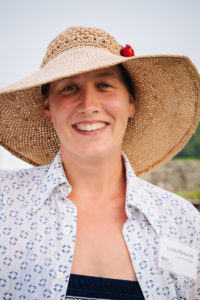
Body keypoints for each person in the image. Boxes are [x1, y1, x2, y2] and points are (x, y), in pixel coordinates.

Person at [0, 26, 200, 300]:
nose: (88, 104)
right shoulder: (4, 201)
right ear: (48, 108)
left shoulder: (182, 221)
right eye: (69, 88)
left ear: (130, 102)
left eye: (104, 85)